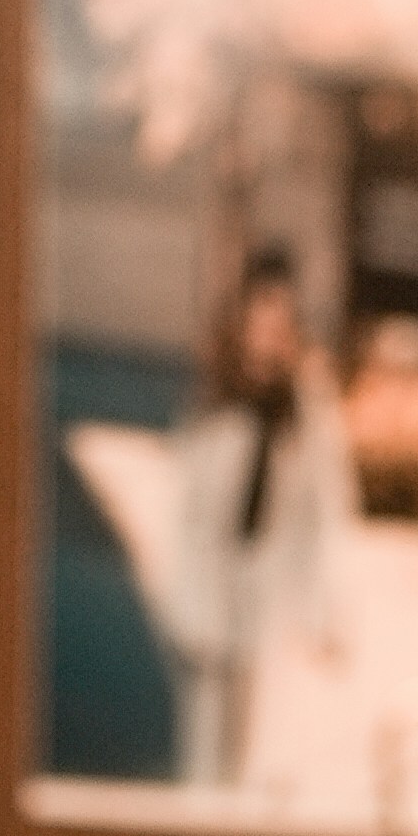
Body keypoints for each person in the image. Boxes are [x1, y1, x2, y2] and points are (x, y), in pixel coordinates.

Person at [156, 249, 351, 794]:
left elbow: (323, 510)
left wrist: (325, 609)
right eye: (259, 323)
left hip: (266, 593)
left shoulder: (303, 408)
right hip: (208, 588)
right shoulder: (218, 399)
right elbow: (188, 509)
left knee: (253, 749)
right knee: (203, 744)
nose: (268, 337)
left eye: (279, 325)